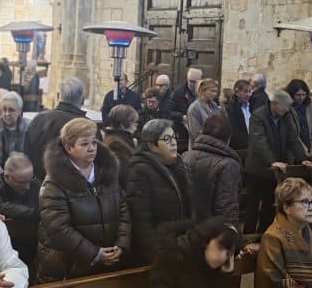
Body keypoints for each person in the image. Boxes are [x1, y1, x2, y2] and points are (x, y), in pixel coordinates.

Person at [37, 118, 130, 288]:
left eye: (94, 142)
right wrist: (95, 254)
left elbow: (123, 209)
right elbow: (59, 229)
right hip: (69, 266)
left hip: (106, 261)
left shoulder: (107, 171)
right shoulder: (54, 183)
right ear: (69, 147)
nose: (92, 148)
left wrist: (121, 244)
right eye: (85, 144)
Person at [126, 118, 196, 265]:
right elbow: (141, 222)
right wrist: (157, 255)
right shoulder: (139, 172)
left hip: (181, 245)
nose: (174, 142)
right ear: (152, 146)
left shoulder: (179, 165)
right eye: (166, 139)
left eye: (174, 137)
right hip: (160, 253)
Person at [147, 217, 242, 288]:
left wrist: (225, 274)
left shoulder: (213, 265)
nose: (223, 257)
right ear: (206, 240)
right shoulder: (171, 258)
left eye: (228, 254)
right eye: (220, 248)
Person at [245, 89, 312, 234]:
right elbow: (260, 142)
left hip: (276, 172)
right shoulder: (258, 116)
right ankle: (247, 237)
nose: (288, 109)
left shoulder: (285, 116)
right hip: (257, 169)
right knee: (253, 206)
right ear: (274, 104)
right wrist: (272, 161)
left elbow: (293, 139)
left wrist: (303, 159)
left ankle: (264, 235)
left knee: (270, 206)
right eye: (285, 106)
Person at [182, 113, 242, 227]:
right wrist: (232, 236)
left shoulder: (185, 156)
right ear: (228, 138)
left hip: (187, 228)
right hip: (211, 232)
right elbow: (227, 207)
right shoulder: (229, 164)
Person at [0, 152, 40, 275]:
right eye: (21, 182)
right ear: (6, 177)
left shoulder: (35, 184)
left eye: (29, 180)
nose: (27, 187)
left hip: (35, 245)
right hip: (9, 250)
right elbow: (2, 206)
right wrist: (37, 212)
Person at [23, 77, 87, 181]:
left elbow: (26, 153)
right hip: (71, 190)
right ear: (82, 99)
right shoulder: (86, 126)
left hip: (37, 184)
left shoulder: (39, 119)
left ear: (58, 96)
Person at [0, 91, 30, 183]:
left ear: (19, 110)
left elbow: (33, 155)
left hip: (25, 179)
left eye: (11, 110)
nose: (7, 114)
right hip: (0, 179)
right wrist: (3, 177)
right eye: (4, 109)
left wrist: (25, 176)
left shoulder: (29, 127)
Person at [166, 68, 201, 152]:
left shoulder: (203, 92)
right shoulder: (178, 93)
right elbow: (169, 112)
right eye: (191, 81)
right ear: (187, 79)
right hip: (183, 128)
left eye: (196, 82)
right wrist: (182, 116)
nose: (193, 84)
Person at [103, 104, 138, 183]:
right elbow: (125, 173)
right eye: (134, 124)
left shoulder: (115, 138)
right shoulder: (116, 144)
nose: (136, 128)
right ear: (123, 124)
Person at [186, 78, 221, 149]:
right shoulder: (194, 108)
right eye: (212, 91)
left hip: (215, 147)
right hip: (200, 148)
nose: (214, 94)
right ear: (203, 90)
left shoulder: (214, 105)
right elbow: (196, 133)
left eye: (216, 92)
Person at [224, 79, 253, 152]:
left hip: (248, 146)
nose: (248, 94)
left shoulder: (250, 106)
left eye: (250, 91)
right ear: (237, 92)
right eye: (245, 91)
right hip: (236, 148)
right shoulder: (231, 108)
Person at [285, 79, 312, 151]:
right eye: (298, 95)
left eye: (304, 95)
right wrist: (304, 149)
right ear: (292, 94)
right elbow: (293, 133)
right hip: (293, 149)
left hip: (309, 145)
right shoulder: (287, 108)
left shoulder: (308, 106)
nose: (302, 98)